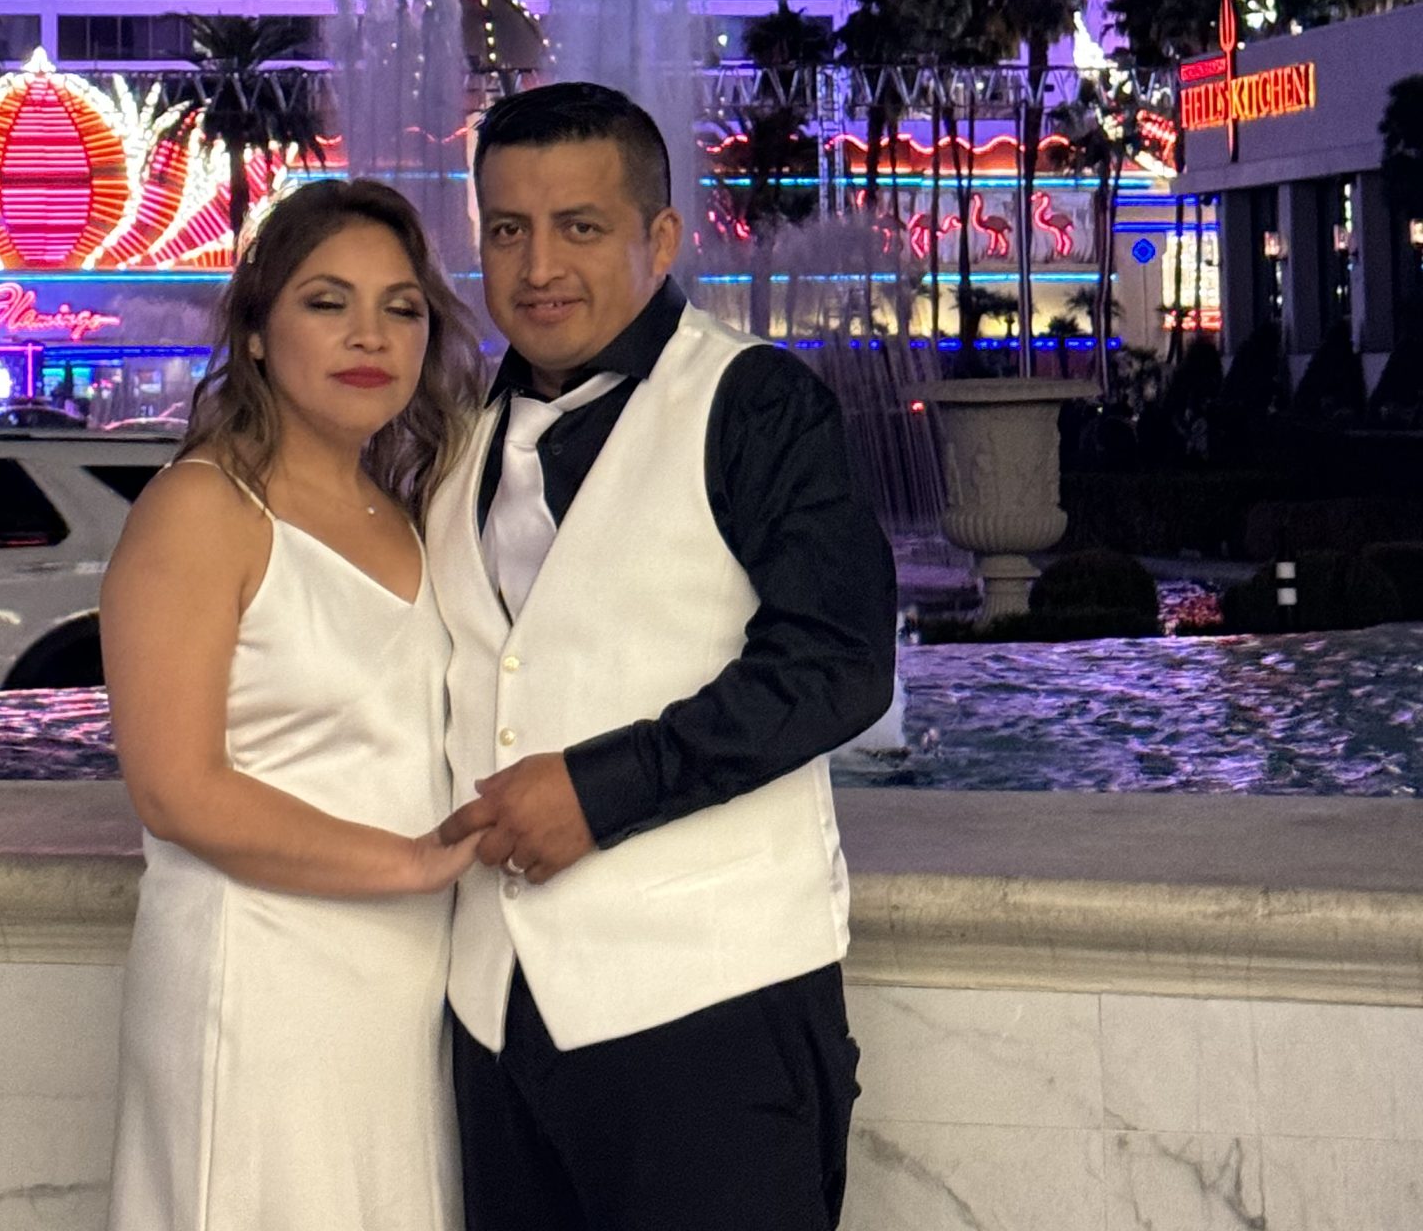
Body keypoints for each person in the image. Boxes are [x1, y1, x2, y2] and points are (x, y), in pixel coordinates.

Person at [425, 81, 899, 1231]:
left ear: (662, 237)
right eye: (508, 228)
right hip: (492, 1011)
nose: (539, 264)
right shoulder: (455, 433)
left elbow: (837, 663)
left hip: (710, 1011)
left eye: (580, 226)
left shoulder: (756, 402)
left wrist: (600, 789)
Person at [102, 176, 485, 1231]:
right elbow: (176, 789)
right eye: (327, 302)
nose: (371, 335)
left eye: (401, 307)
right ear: (258, 333)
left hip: (400, 982)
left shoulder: (408, 510)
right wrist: (410, 862)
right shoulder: (202, 507)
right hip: (261, 974)